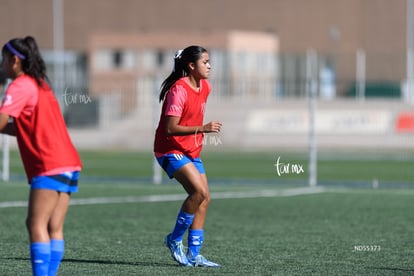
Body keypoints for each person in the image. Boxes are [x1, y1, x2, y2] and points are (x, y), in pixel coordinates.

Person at [0, 36, 82, 276]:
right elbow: (19, 128)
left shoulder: (20, 85)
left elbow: (2, 120)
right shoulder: (40, 84)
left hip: (49, 163)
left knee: (35, 224)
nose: (2, 64)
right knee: (53, 227)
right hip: (69, 162)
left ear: (14, 60)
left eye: (3, 59)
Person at [154, 46, 222, 267]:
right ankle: (174, 240)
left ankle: (194, 254)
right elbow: (170, 128)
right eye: (205, 62)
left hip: (191, 151)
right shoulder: (178, 90)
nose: (209, 65)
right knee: (198, 192)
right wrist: (202, 128)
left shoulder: (205, 87)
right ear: (191, 66)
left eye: (209, 61)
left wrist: (198, 132)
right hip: (169, 149)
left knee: (205, 198)